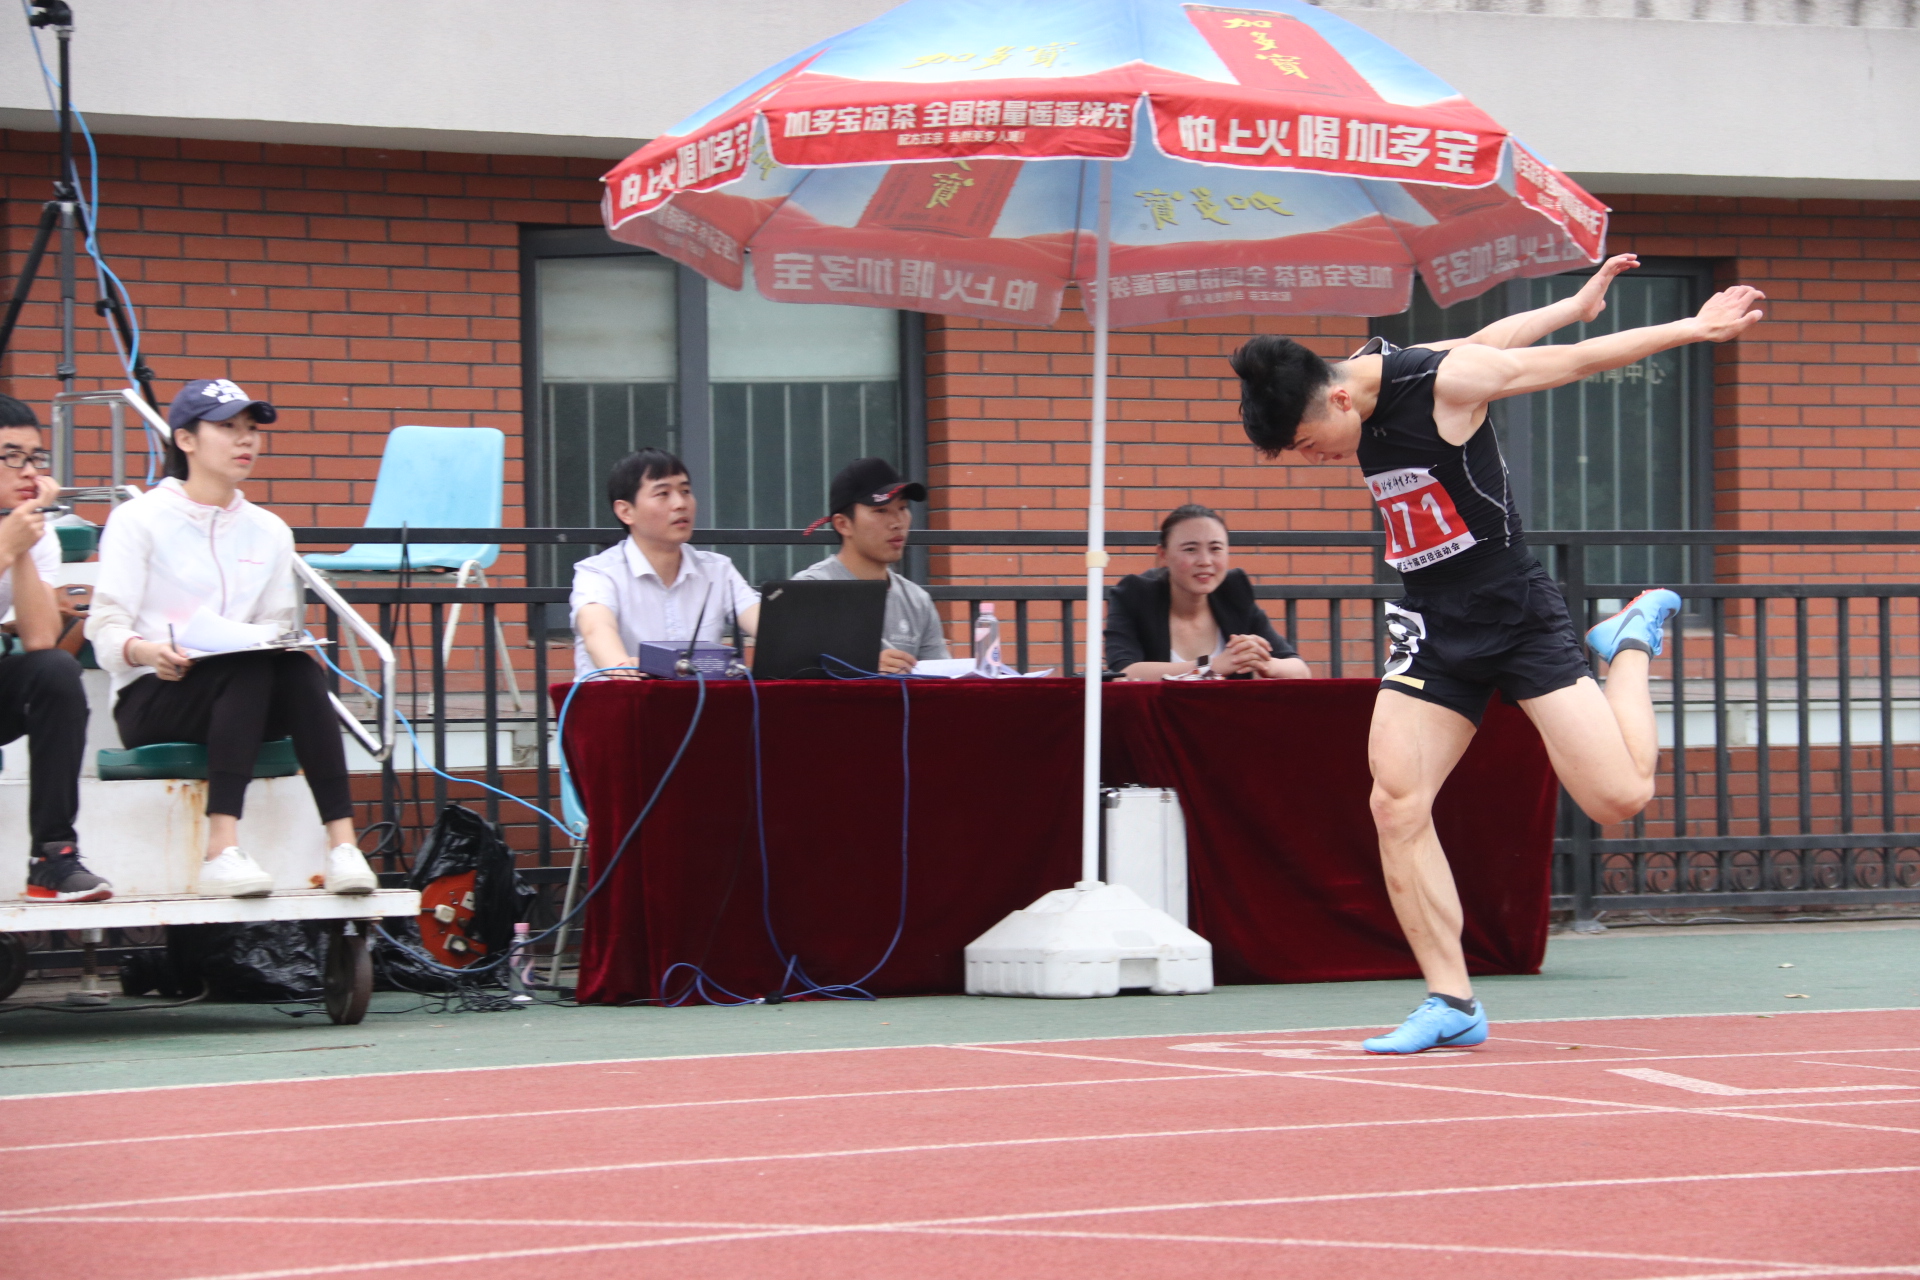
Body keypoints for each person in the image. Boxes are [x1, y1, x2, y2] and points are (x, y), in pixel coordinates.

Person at [1229, 255, 1764, 1054]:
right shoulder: (1363, 377)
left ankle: (1627, 642)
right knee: (1395, 804)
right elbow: (1496, 334)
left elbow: (1560, 365)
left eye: (1310, 445)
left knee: (1619, 797)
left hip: (1514, 614)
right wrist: (1570, 306)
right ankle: (1451, 1000)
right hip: (1433, 624)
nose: (1316, 459)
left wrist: (1694, 326)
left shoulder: (1442, 385)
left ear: (1337, 400)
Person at [88, 378, 378, 899]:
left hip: (244, 692)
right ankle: (221, 849)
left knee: (295, 667)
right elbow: (105, 627)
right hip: (155, 694)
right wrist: (147, 651)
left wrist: (278, 640)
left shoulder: (269, 530)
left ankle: (343, 845)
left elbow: (275, 625)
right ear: (185, 439)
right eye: (227, 427)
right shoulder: (138, 520)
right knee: (247, 667)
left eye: (251, 429)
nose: (245, 440)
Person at [0, 395, 108, 901]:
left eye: (36, 457)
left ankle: (52, 856)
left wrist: (21, 545)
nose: (29, 471)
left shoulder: (34, 532)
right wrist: (5, 545)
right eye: (12, 456)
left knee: (55, 671)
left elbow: (41, 640)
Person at [571, 448, 759, 676]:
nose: (680, 503)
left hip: (699, 697)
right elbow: (596, 629)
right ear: (626, 511)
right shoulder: (598, 573)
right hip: (623, 696)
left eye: (685, 491)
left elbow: (765, 624)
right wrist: (622, 668)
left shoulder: (718, 570)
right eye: (663, 494)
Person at [1106, 503, 1310, 681]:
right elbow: (1124, 672)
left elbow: (1300, 671)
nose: (1205, 561)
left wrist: (1264, 663)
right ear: (1163, 555)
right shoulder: (1135, 595)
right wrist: (1209, 666)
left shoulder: (1234, 593)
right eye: (1190, 549)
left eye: (1215, 549)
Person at [793, 457, 949, 674]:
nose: (897, 522)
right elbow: (787, 676)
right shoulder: (807, 590)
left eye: (903, 507)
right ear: (843, 524)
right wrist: (860, 667)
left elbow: (939, 680)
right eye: (881, 511)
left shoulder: (918, 601)